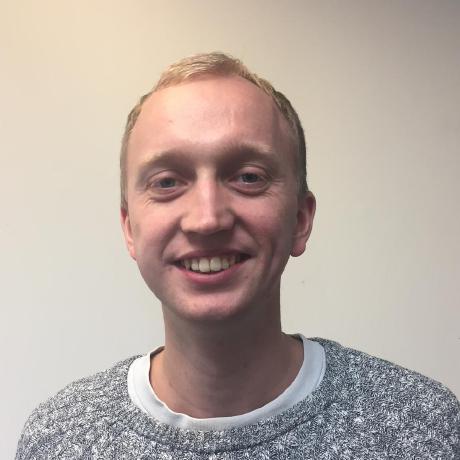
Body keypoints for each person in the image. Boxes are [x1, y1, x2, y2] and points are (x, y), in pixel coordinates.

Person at [16, 52, 459, 459]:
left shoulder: (425, 429)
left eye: (248, 177)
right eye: (167, 182)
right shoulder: (57, 441)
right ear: (130, 228)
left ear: (300, 220)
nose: (206, 219)